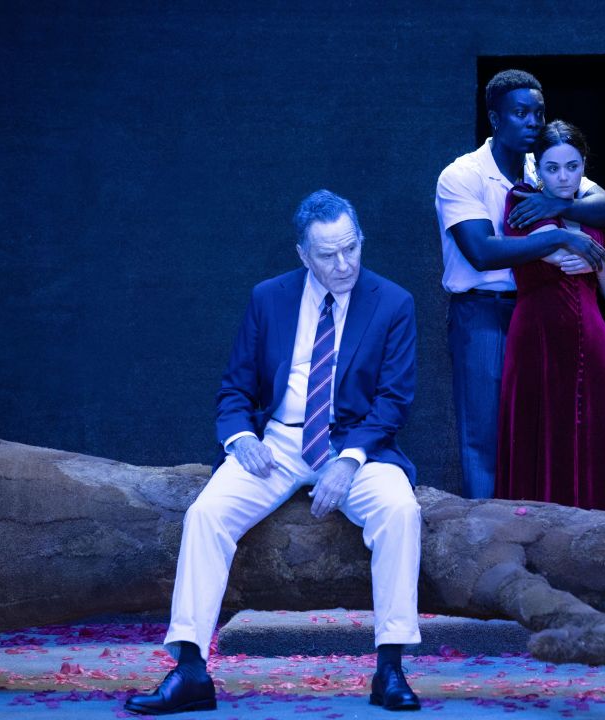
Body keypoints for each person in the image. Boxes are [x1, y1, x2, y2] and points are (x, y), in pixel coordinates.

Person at [125, 190, 422, 714]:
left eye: (351, 248)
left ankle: (390, 668)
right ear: (303, 254)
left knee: (401, 511)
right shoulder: (269, 298)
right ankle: (190, 670)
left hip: (357, 445)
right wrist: (241, 438)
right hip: (279, 443)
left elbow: (393, 401)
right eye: (327, 254)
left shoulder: (393, 302)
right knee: (205, 515)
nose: (343, 264)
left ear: (361, 239)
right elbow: (234, 390)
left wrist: (349, 460)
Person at [435, 68, 605, 499]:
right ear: (495, 118)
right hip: (483, 311)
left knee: (540, 430)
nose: (533, 123)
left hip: (538, 310)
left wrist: (554, 203)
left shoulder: (543, 168)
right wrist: (559, 236)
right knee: (485, 432)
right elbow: (481, 252)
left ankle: (533, 528)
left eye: (539, 113)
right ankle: (485, 532)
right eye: (521, 113)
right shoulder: (462, 174)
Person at [495, 120, 605, 516]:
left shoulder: (594, 213)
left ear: (583, 165)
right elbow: (561, 258)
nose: (563, 177)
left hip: (594, 342)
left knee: (601, 434)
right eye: (552, 168)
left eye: (572, 166)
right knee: (540, 436)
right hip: (538, 340)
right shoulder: (523, 201)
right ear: (537, 168)